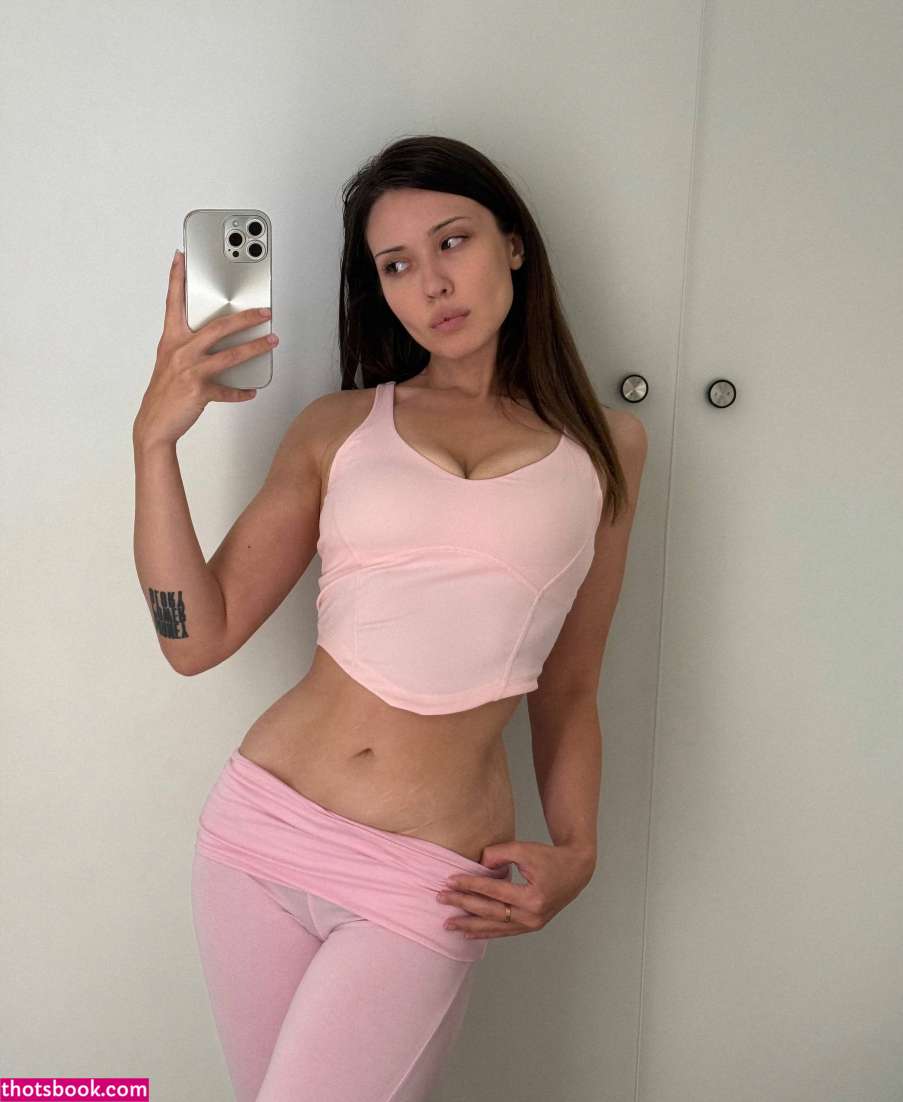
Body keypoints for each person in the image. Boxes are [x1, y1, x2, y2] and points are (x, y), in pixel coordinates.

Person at [132, 134, 647, 1102]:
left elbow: (571, 685)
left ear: (513, 243)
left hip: (423, 873)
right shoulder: (338, 427)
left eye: (452, 241)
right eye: (396, 265)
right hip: (259, 833)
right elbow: (195, 639)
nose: (432, 284)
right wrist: (153, 443)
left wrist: (578, 849)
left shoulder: (606, 447)